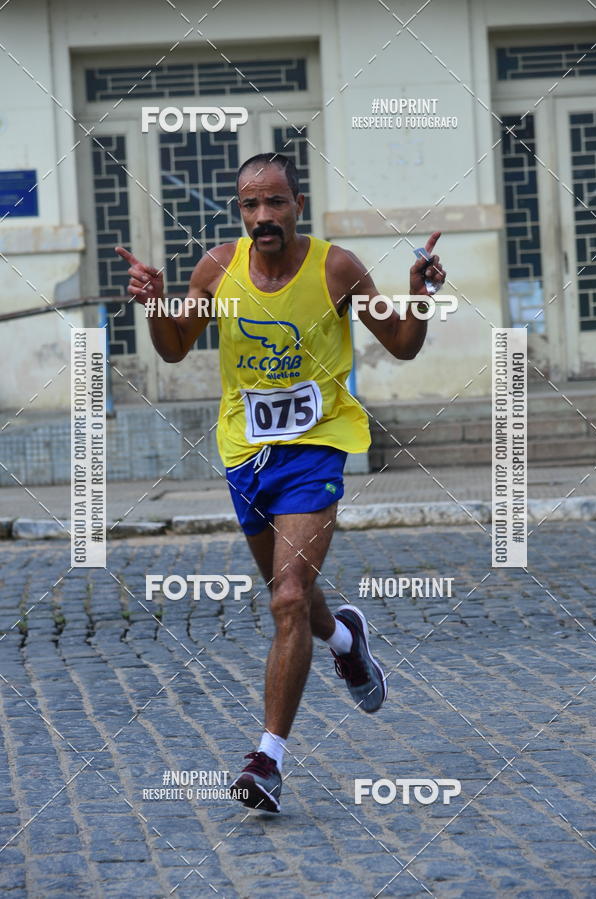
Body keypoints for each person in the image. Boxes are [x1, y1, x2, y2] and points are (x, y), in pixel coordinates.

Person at [115, 152, 446, 814]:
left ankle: (267, 759)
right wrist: (155, 306)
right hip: (246, 454)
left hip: (318, 449)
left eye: (275, 202)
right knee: (290, 593)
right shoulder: (216, 268)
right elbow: (175, 346)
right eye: (249, 205)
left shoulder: (336, 267)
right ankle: (348, 641)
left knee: (289, 596)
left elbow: (403, 342)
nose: (263, 216)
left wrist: (421, 292)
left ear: (298, 204)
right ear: (239, 212)